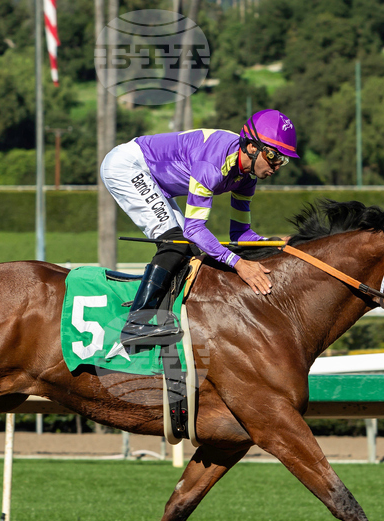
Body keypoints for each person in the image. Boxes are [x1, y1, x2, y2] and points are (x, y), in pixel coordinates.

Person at [99, 109, 298, 347]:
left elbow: (241, 234)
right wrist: (239, 264)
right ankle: (136, 325)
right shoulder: (213, 164)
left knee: (193, 252)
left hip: (154, 179)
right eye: (274, 156)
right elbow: (193, 229)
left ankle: (170, 317)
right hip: (128, 166)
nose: (276, 166)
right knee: (177, 241)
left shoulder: (247, 178)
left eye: (282, 160)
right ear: (252, 148)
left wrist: (275, 244)